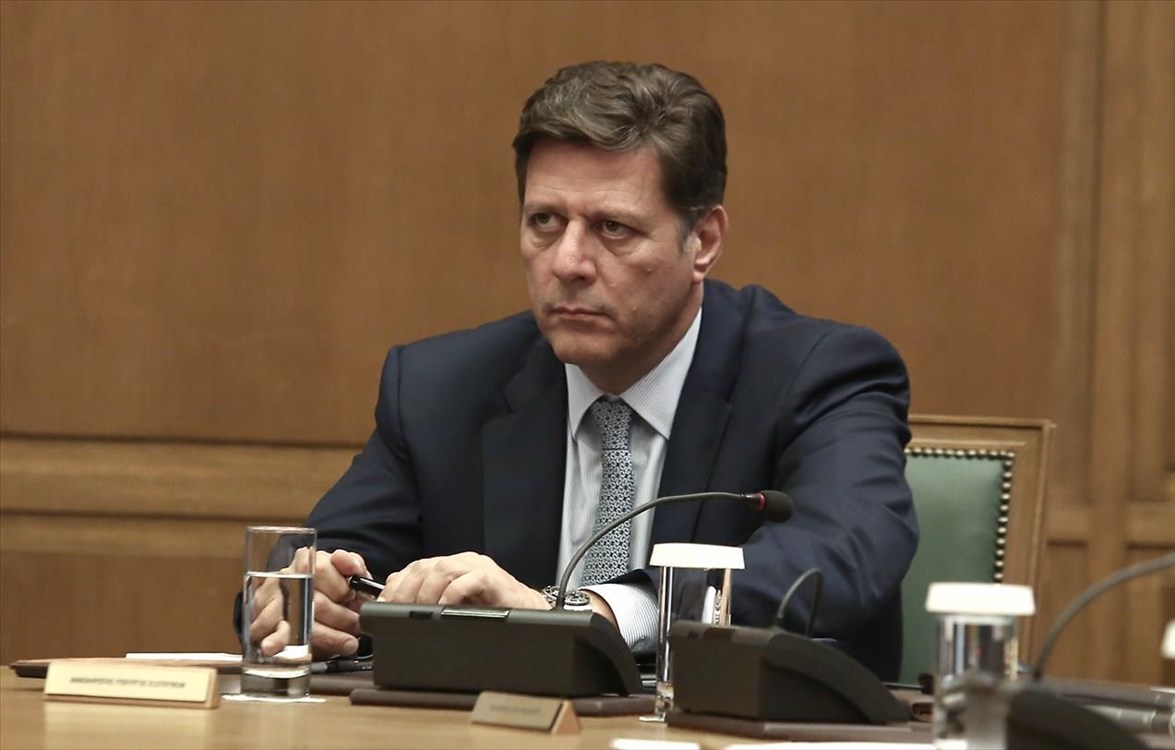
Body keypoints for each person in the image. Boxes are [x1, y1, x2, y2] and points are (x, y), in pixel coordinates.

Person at [296, 60, 917, 679]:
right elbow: (328, 561)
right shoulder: (441, 388)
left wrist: (590, 614)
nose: (568, 263)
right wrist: (309, 599)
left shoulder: (818, 374)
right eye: (545, 221)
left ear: (702, 241)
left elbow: (840, 553)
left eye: (612, 228)